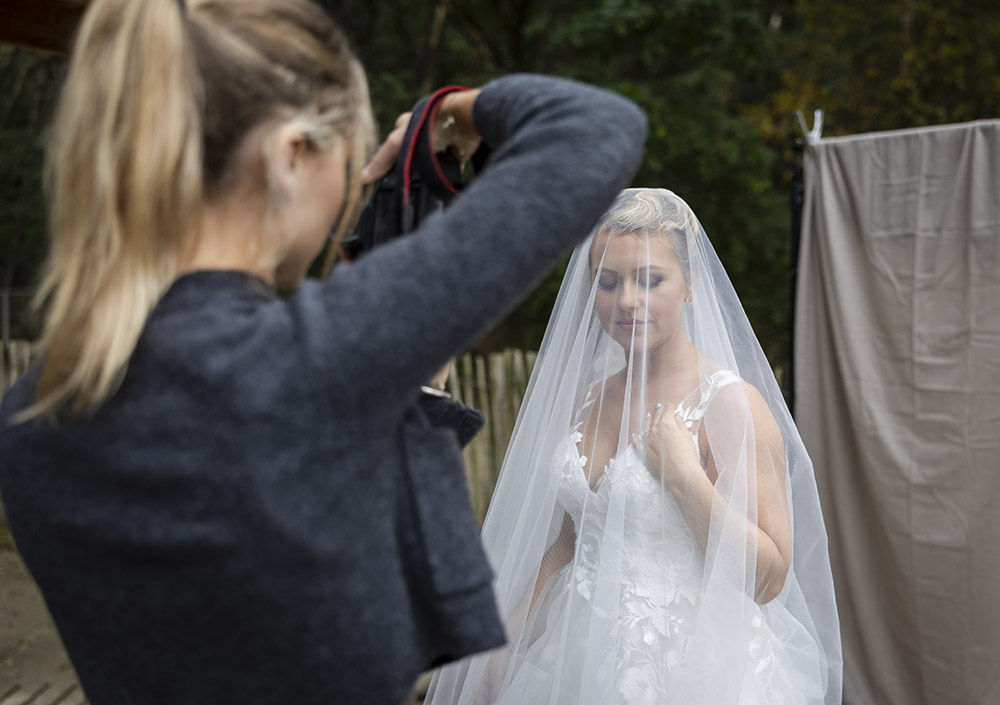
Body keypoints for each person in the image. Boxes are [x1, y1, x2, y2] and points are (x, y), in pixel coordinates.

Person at [0, 1, 647, 704]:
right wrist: (451, 112)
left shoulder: (29, 418)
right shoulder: (315, 356)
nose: (347, 196)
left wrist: (404, 392)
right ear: (290, 156)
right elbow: (596, 127)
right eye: (346, 160)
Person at [425, 189, 842, 705]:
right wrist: (503, 651)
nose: (626, 301)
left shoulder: (731, 405)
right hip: (574, 663)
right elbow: (570, 543)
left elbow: (769, 578)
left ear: (691, 283)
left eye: (650, 280)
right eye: (608, 282)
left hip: (690, 674)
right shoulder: (589, 399)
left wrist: (686, 479)